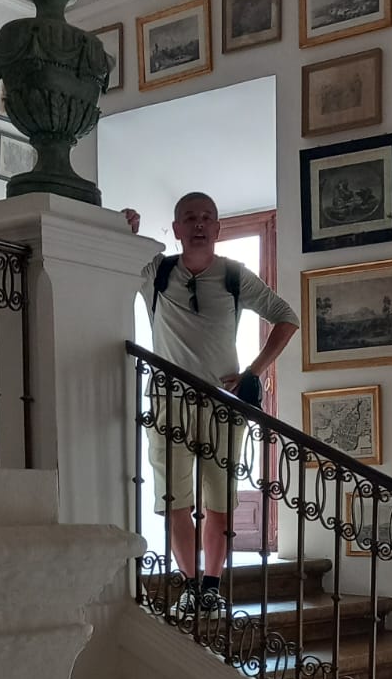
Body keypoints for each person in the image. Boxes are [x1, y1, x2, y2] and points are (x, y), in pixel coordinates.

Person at [123, 193, 299, 614]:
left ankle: (211, 587)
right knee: (174, 501)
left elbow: (286, 317)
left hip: (222, 405)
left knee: (220, 502)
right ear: (177, 228)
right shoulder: (156, 272)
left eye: (206, 218)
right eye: (190, 218)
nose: (199, 224)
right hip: (167, 403)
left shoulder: (235, 276)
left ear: (218, 228)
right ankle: (190, 584)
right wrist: (124, 229)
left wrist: (253, 372)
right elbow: (114, 258)